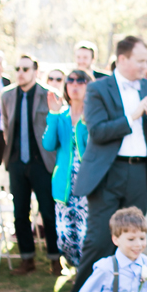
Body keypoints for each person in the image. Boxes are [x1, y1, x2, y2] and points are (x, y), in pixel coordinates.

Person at [70, 36, 147, 292]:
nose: (145, 66)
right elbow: (99, 131)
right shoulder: (98, 89)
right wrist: (134, 115)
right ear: (123, 59)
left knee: (132, 242)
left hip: (140, 174)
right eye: (140, 61)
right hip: (107, 173)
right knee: (99, 240)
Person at [0, 53, 61, 275]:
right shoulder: (7, 96)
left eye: (25, 69)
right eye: (17, 68)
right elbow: (6, 126)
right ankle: (27, 258)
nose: (20, 73)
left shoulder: (48, 94)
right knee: (19, 212)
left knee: (48, 211)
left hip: (42, 162)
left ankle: (55, 258)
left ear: (35, 71)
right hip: (17, 161)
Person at [43, 69, 92, 268]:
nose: (75, 84)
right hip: (64, 185)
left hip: (88, 185)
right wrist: (53, 114)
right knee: (65, 237)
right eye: (70, 80)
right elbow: (48, 144)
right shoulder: (61, 116)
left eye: (80, 81)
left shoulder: (93, 115)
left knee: (85, 235)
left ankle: (85, 275)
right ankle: (77, 270)